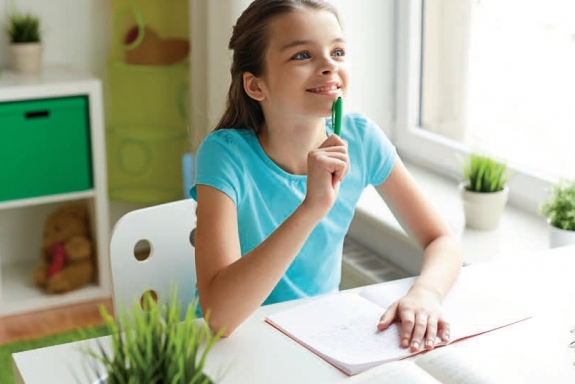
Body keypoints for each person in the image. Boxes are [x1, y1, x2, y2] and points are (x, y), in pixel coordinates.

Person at [190, 0, 464, 353]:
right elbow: (221, 319)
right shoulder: (225, 155)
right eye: (302, 55)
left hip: (317, 337)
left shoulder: (361, 139)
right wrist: (311, 208)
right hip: (230, 346)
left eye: (337, 52)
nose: (329, 66)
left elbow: (442, 240)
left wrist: (426, 293)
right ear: (256, 86)